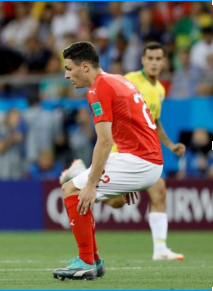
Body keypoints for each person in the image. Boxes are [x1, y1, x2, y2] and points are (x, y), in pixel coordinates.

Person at [60, 42, 186, 261]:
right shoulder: (119, 79)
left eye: (69, 68)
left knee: (72, 191)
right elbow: (135, 124)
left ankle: (88, 261)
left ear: (86, 67)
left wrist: (92, 184)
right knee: (103, 199)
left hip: (141, 161)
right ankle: (92, 259)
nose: (66, 75)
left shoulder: (98, 89)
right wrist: (127, 175)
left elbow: (105, 140)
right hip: (143, 158)